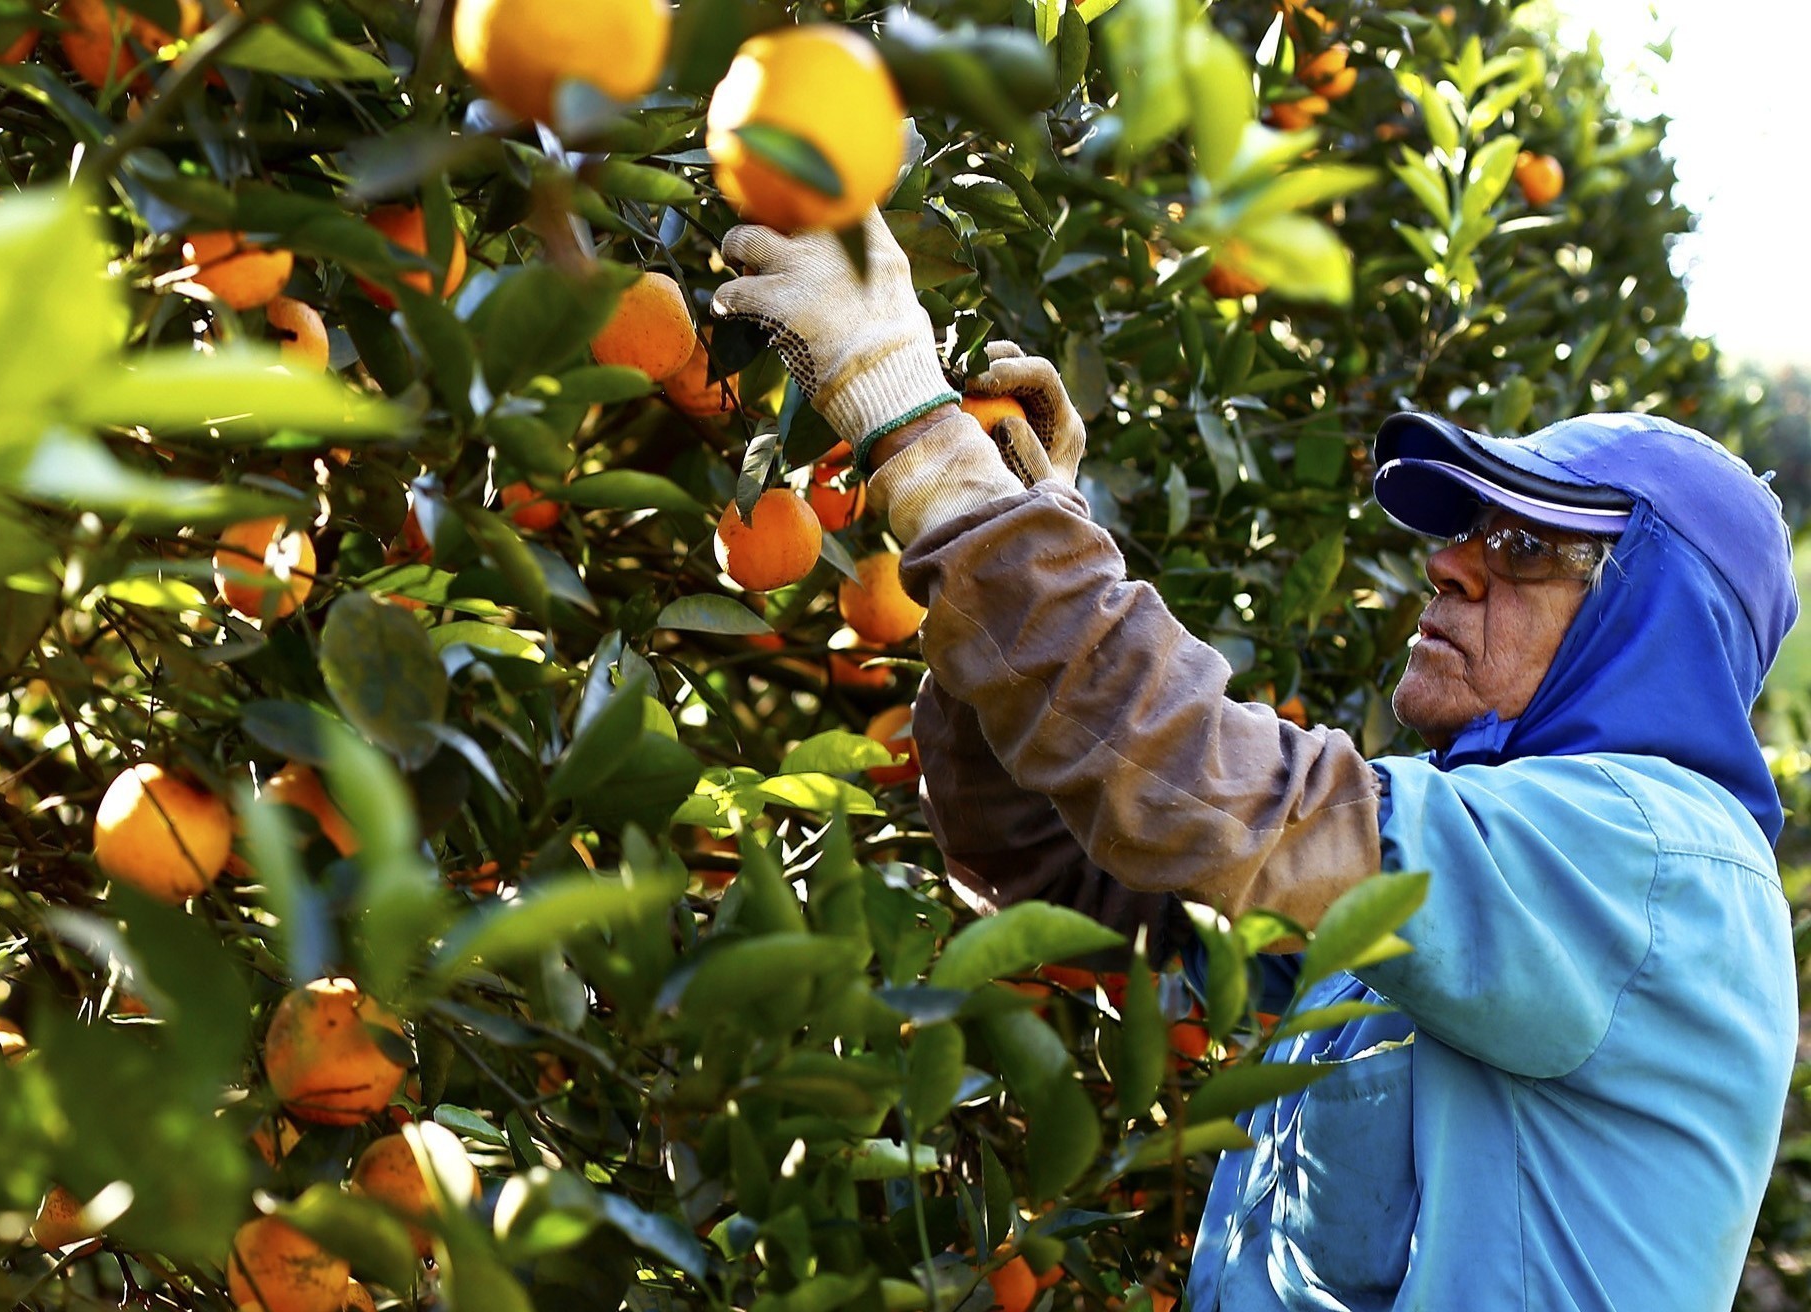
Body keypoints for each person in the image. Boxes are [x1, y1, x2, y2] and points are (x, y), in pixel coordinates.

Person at [715, 213, 1799, 1310]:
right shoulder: (1468, 889)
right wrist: (1016, 536)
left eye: (1523, 544)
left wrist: (913, 419)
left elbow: (1201, 778)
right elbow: (1066, 872)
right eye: (1463, 526)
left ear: (1652, 623)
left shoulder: (1651, 861)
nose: (1449, 564)